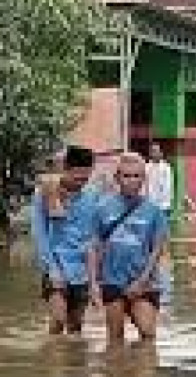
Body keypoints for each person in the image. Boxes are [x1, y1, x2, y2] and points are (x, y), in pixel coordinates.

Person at [89, 153, 169, 343]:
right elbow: (94, 247)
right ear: (117, 178)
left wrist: (142, 281)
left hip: (145, 283)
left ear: (144, 179)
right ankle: (119, 371)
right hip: (112, 282)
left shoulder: (154, 211)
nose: (131, 181)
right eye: (126, 176)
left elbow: (157, 250)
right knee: (115, 339)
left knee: (148, 333)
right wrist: (93, 284)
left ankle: (140, 368)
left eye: (136, 176)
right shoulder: (102, 208)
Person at [31, 145, 99, 335]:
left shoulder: (92, 196)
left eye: (86, 178)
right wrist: (51, 269)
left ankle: (73, 363)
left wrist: (95, 280)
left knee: (76, 326)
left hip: (81, 271)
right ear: (66, 170)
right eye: (77, 178)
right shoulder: (45, 193)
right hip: (56, 266)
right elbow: (40, 234)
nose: (81, 183)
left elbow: (93, 238)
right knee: (58, 319)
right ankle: (53, 359)